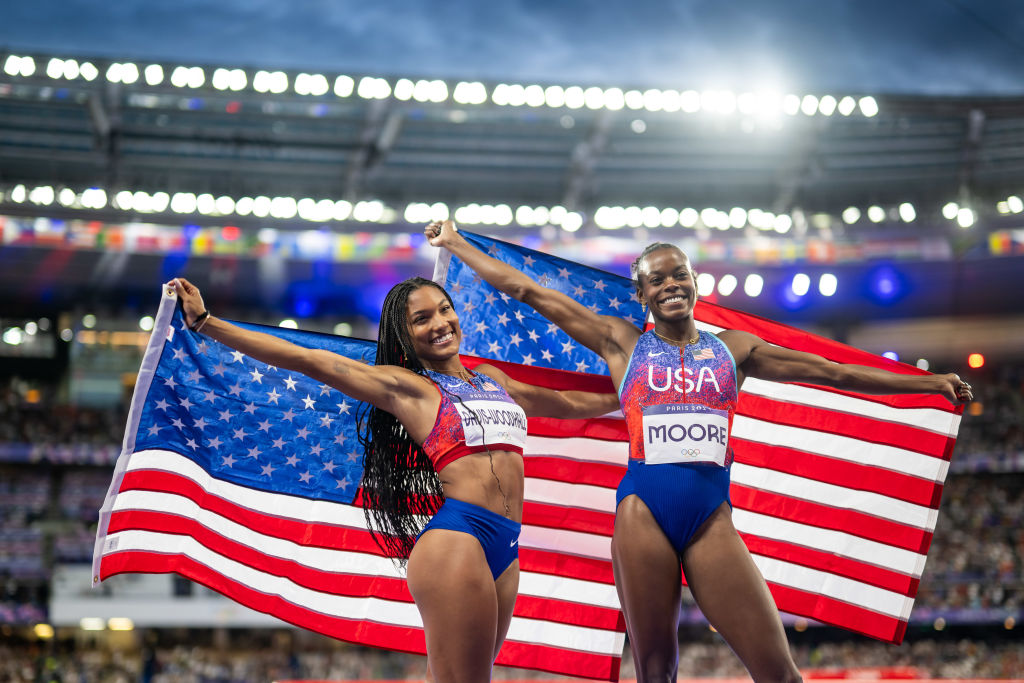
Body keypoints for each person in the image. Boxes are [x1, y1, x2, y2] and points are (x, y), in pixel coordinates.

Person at [426, 220, 973, 683]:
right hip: (643, 513)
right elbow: (528, 292)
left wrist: (926, 386)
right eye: (655, 279)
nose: (669, 284)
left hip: (711, 516)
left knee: (780, 672)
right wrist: (455, 243)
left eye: (678, 274)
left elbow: (832, 372)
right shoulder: (621, 341)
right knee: (657, 669)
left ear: (695, 282)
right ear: (641, 294)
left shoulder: (735, 349)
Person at [169, 276, 619, 683]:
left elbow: (566, 403)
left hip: (506, 545)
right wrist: (207, 322)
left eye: (444, 309)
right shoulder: (409, 388)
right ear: (406, 335)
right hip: (457, 541)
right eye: (422, 319)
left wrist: (634, 392)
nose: (440, 323)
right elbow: (310, 360)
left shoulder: (493, 380)